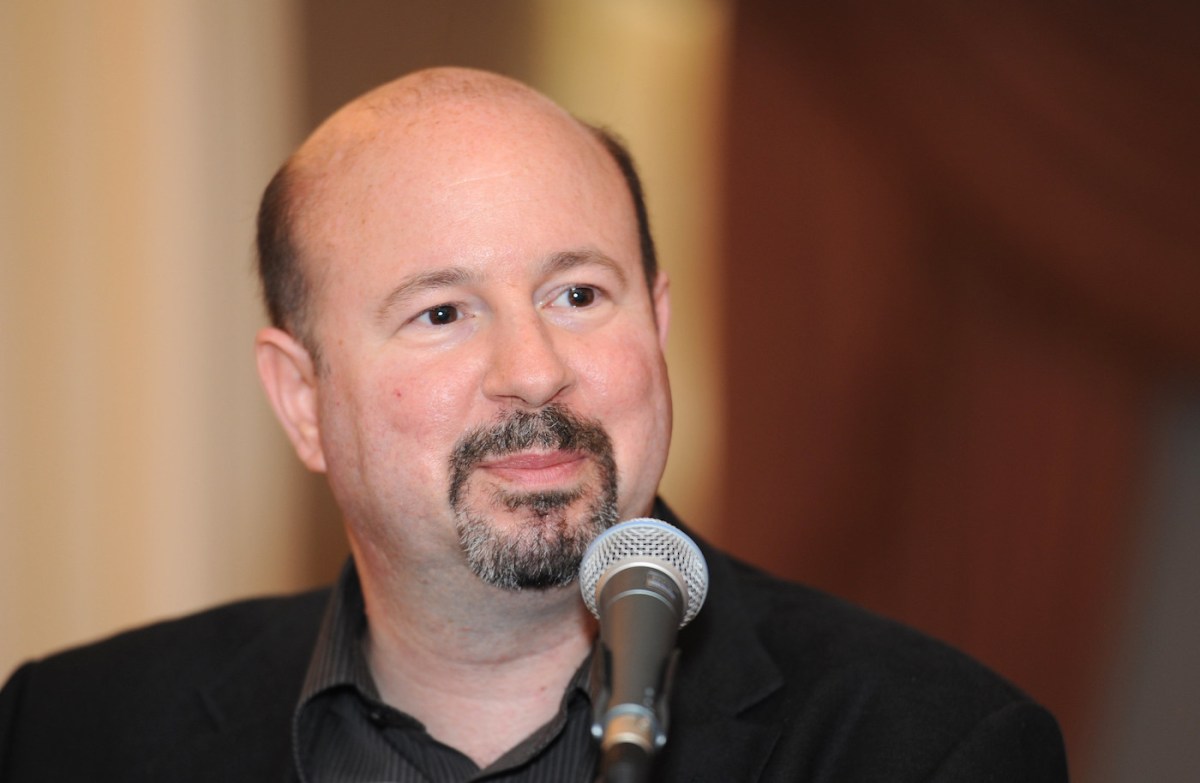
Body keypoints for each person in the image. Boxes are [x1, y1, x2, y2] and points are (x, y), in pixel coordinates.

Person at [0, 68, 1068, 781]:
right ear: (302, 400)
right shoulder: (72, 736)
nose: (533, 370)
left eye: (577, 295)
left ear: (657, 324)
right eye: (442, 312)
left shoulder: (925, 748)